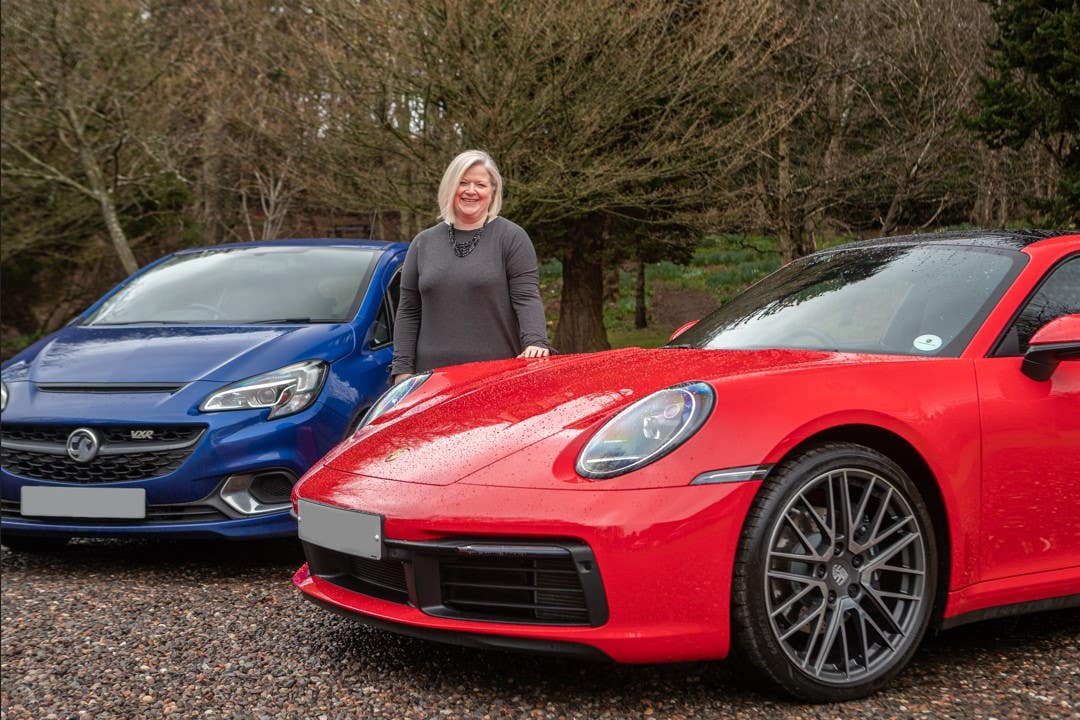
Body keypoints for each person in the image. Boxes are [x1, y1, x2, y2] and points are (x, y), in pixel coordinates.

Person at [390, 150, 552, 383]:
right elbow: (408, 310)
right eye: (463, 183)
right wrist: (402, 370)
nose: (471, 191)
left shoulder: (512, 238)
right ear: (450, 187)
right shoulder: (423, 243)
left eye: (480, 184)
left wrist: (536, 342)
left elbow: (526, 298)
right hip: (431, 381)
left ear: (493, 190)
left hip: (496, 376)